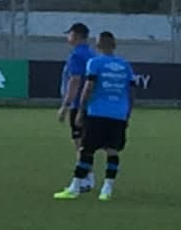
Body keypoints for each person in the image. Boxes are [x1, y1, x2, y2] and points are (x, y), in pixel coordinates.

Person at [54, 31, 134, 202]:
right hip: (119, 114)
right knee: (112, 151)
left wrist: (81, 110)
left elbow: (88, 87)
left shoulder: (95, 62)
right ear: (114, 45)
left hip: (97, 112)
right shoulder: (125, 65)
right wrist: (127, 113)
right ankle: (107, 189)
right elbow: (131, 91)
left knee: (86, 150)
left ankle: (75, 187)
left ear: (97, 46)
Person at [56, 22, 96, 191]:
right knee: (85, 143)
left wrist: (65, 106)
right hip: (91, 105)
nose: (68, 37)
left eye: (70, 34)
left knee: (79, 143)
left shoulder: (76, 56)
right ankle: (89, 178)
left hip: (78, 104)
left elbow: (75, 80)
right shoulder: (91, 54)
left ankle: (84, 179)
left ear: (77, 35)